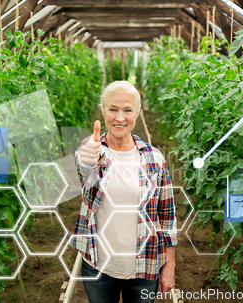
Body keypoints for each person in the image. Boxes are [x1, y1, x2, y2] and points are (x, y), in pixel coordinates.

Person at [71, 81, 178, 303]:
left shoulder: (154, 159)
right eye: (113, 109)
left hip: (144, 268)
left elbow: (167, 218)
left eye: (127, 110)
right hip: (98, 267)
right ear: (103, 111)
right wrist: (88, 156)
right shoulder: (93, 153)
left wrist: (169, 267)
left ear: (137, 113)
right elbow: (86, 165)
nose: (120, 118)